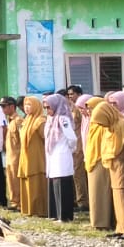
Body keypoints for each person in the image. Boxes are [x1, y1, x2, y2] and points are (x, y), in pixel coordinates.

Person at [96, 93, 124, 240]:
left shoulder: (123, 125)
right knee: (117, 197)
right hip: (114, 166)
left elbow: (119, 148)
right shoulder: (111, 126)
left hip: (123, 165)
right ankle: (121, 227)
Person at [80, 95, 114, 231]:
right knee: (94, 193)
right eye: (88, 109)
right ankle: (95, 220)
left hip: (100, 161)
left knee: (101, 193)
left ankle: (103, 221)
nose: (89, 112)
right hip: (92, 160)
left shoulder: (104, 125)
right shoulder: (92, 123)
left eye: (92, 109)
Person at [44, 93, 77, 222]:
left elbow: (72, 138)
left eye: (49, 107)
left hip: (62, 156)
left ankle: (64, 216)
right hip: (52, 156)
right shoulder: (50, 120)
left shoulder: (63, 119)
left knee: (62, 185)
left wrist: (69, 149)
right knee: (54, 185)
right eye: (46, 108)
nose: (47, 110)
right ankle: (54, 214)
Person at [16, 96, 48, 217]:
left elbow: (45, 138)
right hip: (25, 156)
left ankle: (39, 210)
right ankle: (28, 208)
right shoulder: (26, 120)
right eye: (25, 105)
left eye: (29, 105)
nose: (27, 108)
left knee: (37, 183)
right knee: (26, 181)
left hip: (37, 157)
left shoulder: (40, 121)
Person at [1, 96, 24, 212]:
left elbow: (23, 139)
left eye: (4, 106)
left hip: (17, 156)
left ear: (12, 106)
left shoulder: (18, 121)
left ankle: (20, 203)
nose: (3, 109)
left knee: (16, 180)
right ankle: (14, 201)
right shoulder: (9, 120)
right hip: (10, 156)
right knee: (10, 180)